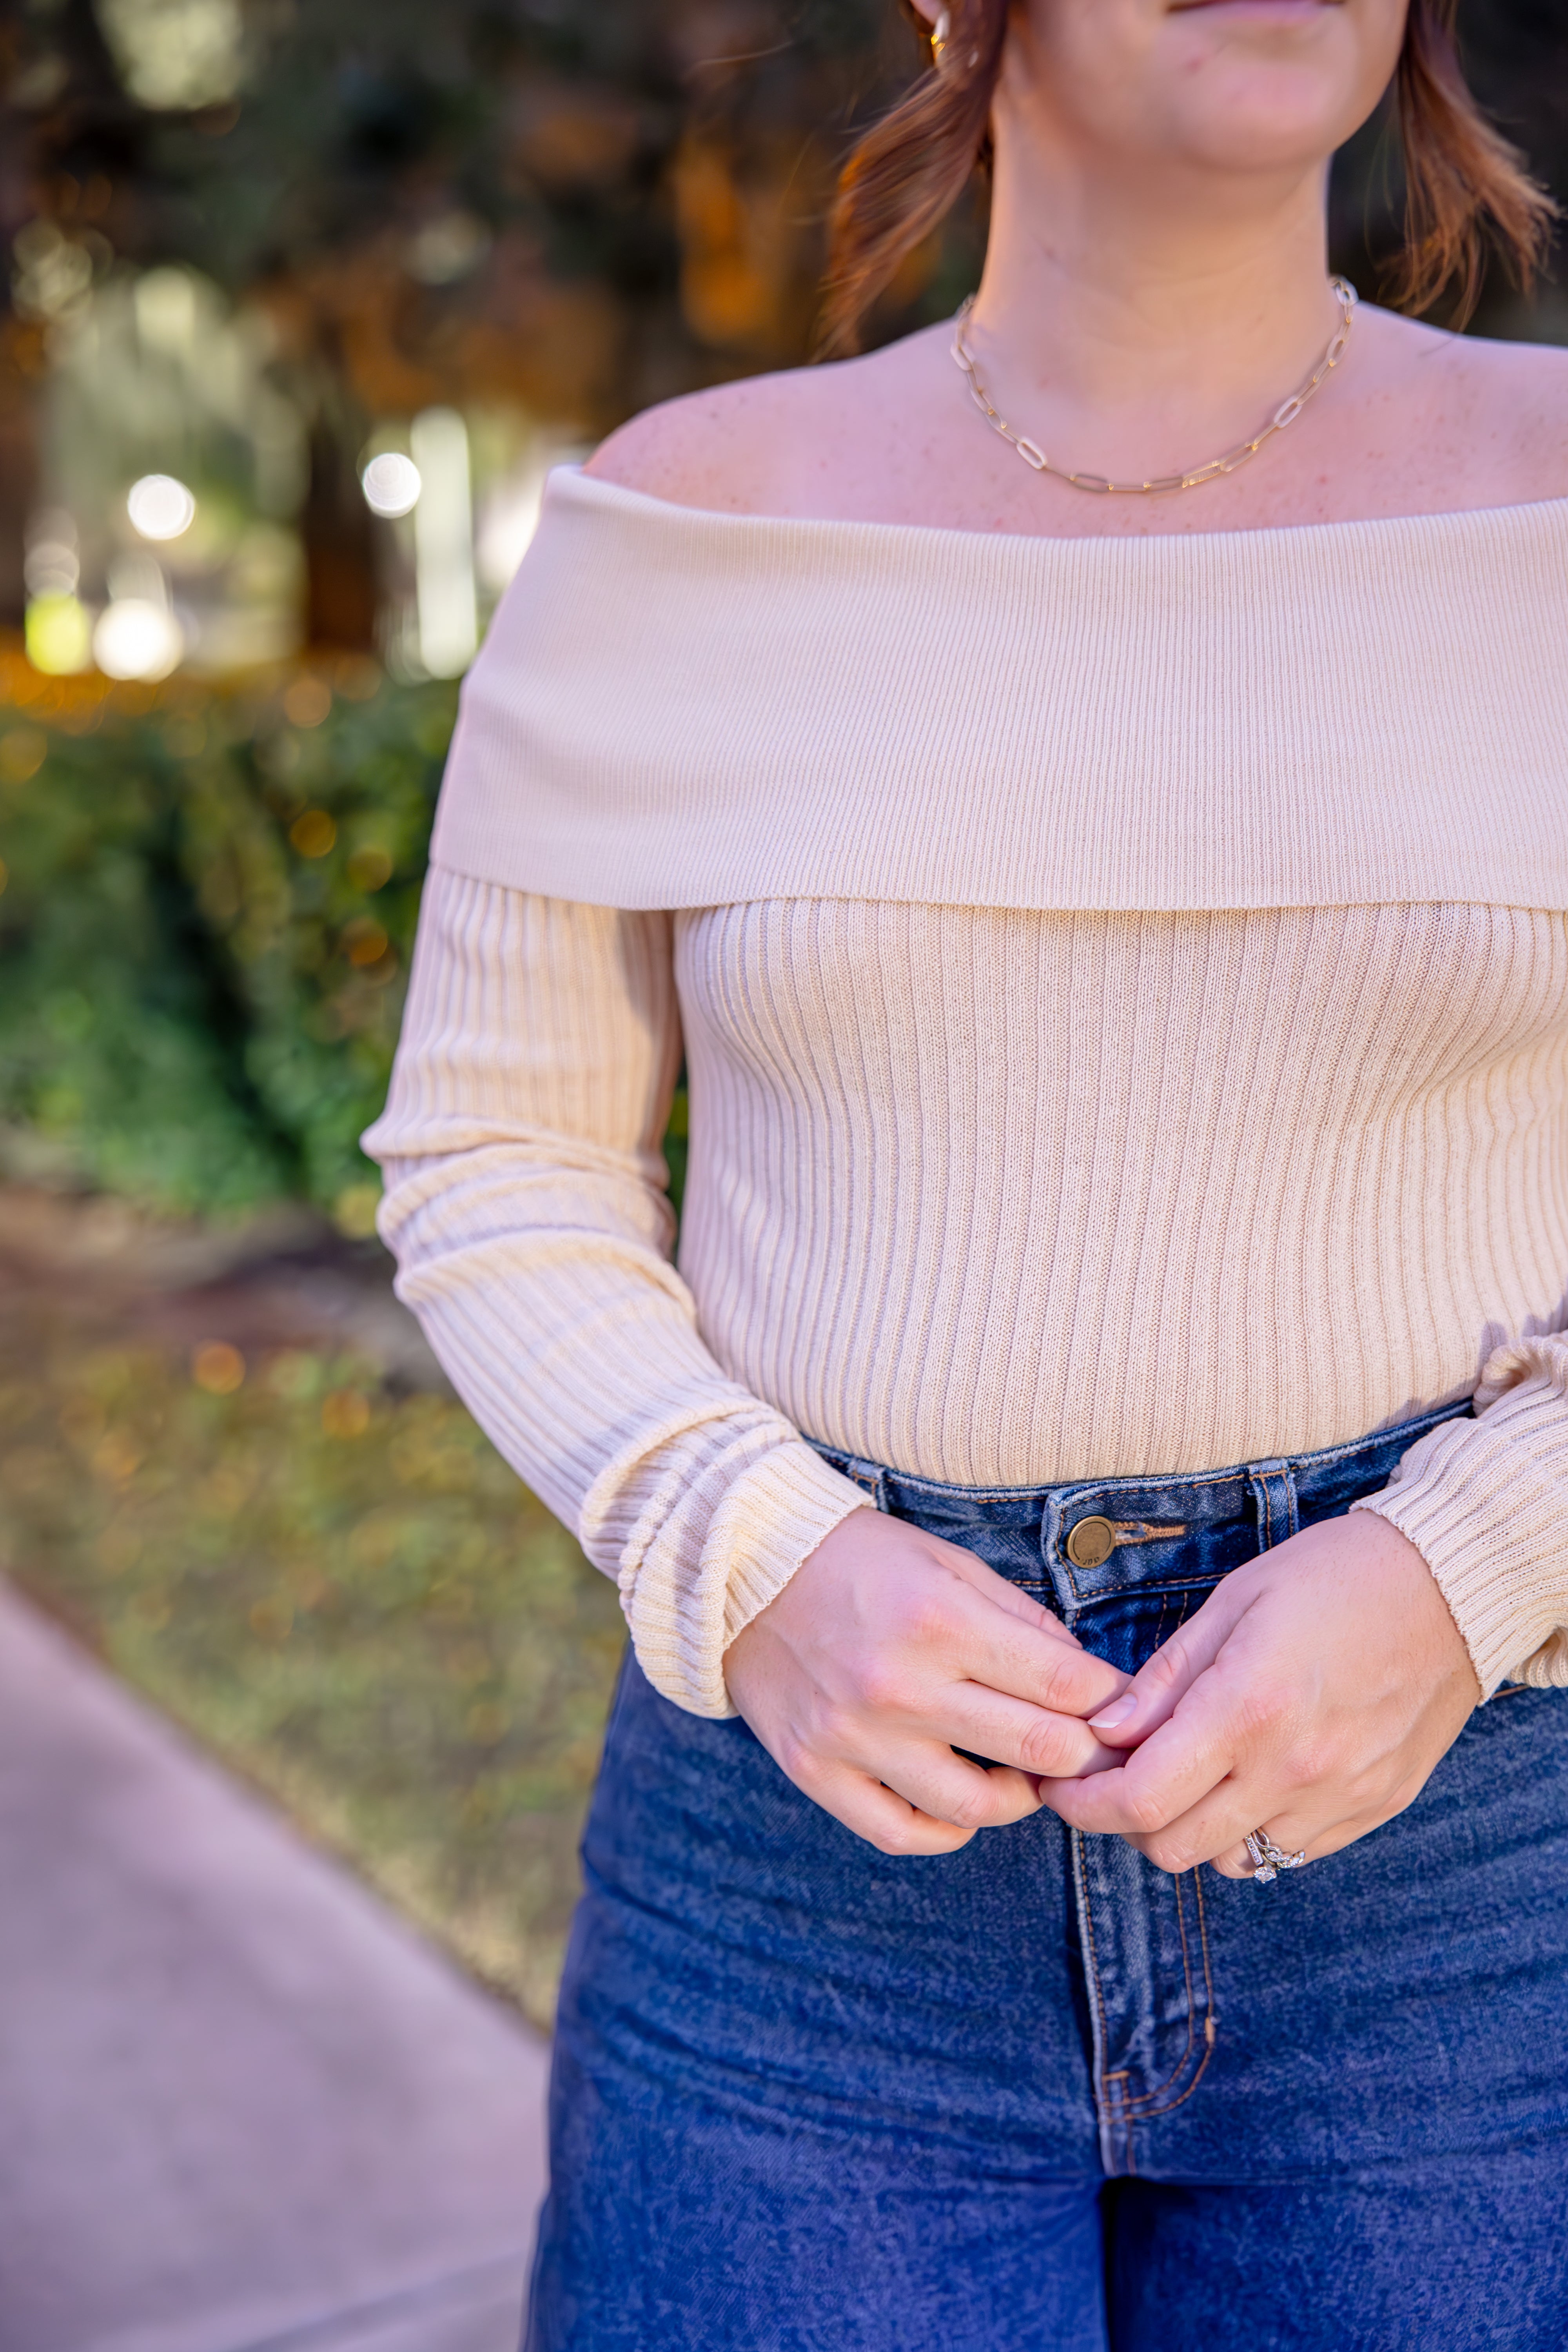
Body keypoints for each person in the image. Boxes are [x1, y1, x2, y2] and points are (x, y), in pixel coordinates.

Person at [365, 2, 1568, 2343]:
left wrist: (1474, 1562)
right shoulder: (680, 526)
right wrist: (757, 1554)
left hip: (1481, 1875)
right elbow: (495, 1150)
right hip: (806, 1912)